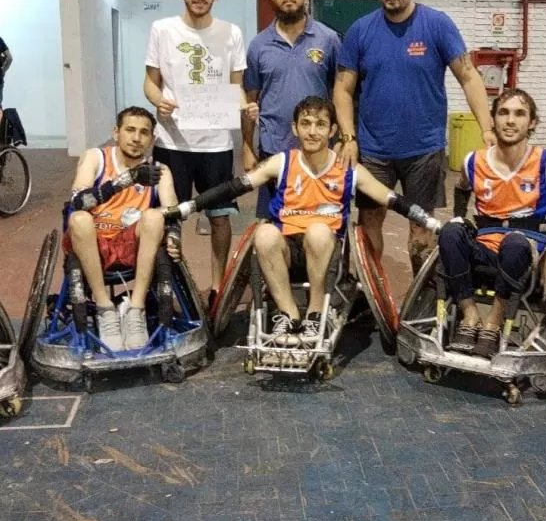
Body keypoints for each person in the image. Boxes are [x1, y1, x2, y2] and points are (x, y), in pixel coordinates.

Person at [163, 96, 442, 340]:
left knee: (319, 231)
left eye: (320, 125)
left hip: (328, 250)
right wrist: (188, 206)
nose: (312, 131)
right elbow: (235, 186)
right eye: (306, 124)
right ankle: (288, 314)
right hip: (286, 249)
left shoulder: (346, 169)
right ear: (295, 128)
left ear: (332, 130)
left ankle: (315, 313)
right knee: (264, 232)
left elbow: (389, 198)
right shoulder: (282, 162)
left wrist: (429, 222)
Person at [333, 0, 494, 275]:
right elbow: (342, 89)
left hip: (424, 149)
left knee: (421, 229)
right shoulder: (361, 30)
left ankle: (422, 298)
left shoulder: (436, 24)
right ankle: (371, 291)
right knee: (369, 222)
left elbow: (469, 76)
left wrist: (487, 129)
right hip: (374, 150)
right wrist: (349, 138)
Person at [437, 89, 546, 358]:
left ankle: (494, 323)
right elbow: (462, 189)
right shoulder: (473, 162)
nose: (511, 120)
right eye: (504, 113)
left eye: (520, 114)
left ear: (531, 123)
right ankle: (470, 316)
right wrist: (460, 217)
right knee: (450, 233)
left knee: (514, 244)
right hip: (486, 246)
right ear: (493, 120)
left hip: (529, 250)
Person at [143, 0, 254, 303]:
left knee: (220, 219)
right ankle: (167, 286)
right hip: (171, 143)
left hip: (216, 144)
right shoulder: (162, 29)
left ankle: (218, 288)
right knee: (167, 219)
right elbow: (149, 81)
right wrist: (158, 100)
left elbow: (237, 86)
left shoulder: (231, 33)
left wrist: (244, 106)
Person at [66, 106, 180, 351]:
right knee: (78, 218)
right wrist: (126, 180)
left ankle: (135, 310)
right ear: (116, 132)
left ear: (152, 139)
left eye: (143, 132)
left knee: (154, 217)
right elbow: (77, 200)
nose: (136, 138)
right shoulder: (95, 157)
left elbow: (172, 215)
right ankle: (104, 307)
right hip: (94, 242)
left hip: (133, 244)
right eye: (130, 130)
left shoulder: (160, 171)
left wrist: (174, 238)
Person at [243, 0, 341, 219]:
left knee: (318, 222)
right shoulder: (258, 46)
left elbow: (341, 95)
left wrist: (342, 139)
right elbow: (249, 100)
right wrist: (246, 147)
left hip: (318, 150)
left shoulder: (328, 40)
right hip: (273, 150)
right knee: (273, 224)